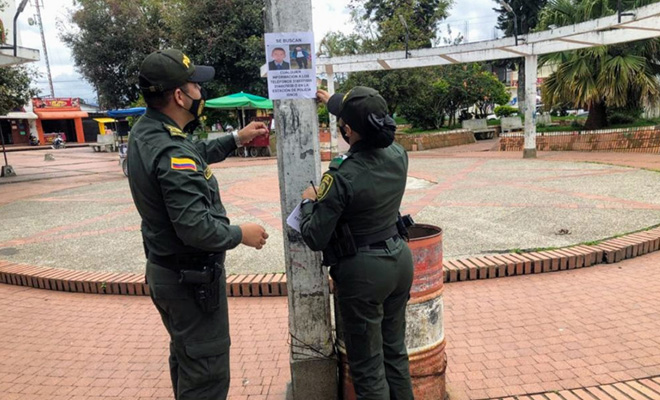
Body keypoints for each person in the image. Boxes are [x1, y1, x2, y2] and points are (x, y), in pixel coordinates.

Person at [127, 49, 269, 400]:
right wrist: (240, 234)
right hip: (190, 281)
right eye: (195, 86)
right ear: (179, 96)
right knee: (206, 375)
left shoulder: (147, 132)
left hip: (166, 270)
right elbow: (196, 228)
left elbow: (193, 152)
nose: (200, 93)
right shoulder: (171, 150)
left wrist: (236, 138)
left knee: (188, 359)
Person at [299, 86, 414, 399]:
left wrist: (309, 202)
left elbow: (315, 236)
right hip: (399, 259)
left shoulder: (341, 175)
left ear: (348, 130)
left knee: (367, 367)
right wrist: (334, 103)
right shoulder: (398, 155)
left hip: (364, 274)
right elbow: (365, 120)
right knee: (395, 354)